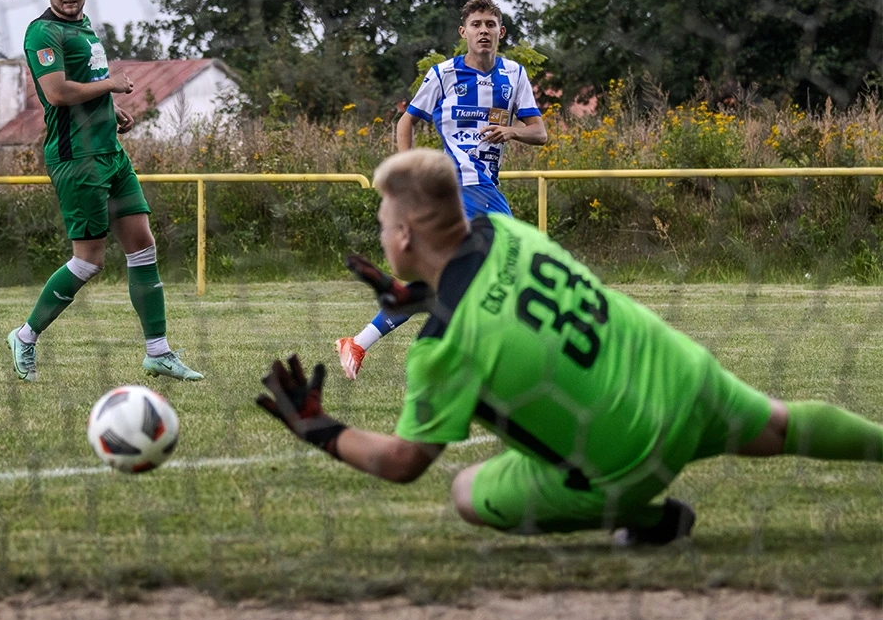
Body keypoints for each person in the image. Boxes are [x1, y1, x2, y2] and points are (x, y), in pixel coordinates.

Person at [256, 149, 883, 543]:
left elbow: (403, 463)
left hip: (632, 460)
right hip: (685, 380)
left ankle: (646, 519)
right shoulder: (507, 230)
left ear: (405, 235)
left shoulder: (443, 349)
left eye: (384, 225)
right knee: (780, 424)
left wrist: (318, 428)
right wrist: (421, 294)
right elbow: (491, 289)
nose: (381, 236)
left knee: (468, 492)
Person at [7, 0, 202, 383]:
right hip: (76, 159)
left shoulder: (84, 27)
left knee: (143, 245)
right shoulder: (43, 32)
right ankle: (24, 335)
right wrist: (112, 85)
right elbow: (57, 93)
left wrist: (111, 111)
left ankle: (158, 352)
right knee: (89, 262)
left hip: (110, 153)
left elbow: (85, 85)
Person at [336, 0, 547, 380]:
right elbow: (406, 122)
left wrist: (512, 131)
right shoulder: (443, 74)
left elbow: (540, 133)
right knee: (515, 264)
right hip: (458, 186)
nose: (483, 31)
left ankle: (359, 343)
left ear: (501, 32)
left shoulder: (515, 75)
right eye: (476, 25)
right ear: (463, 32)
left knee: (445, 278)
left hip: (487, 187)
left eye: (490, 24)